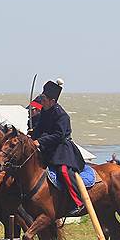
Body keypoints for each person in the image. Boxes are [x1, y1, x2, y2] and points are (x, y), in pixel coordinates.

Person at [31, 78, 85, 216]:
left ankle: (78, 201)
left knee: (63, 171)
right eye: (42, 98)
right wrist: (30, 138)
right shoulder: (44, 111)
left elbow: (58, 136)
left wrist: (40, 142)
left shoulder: (62, 116)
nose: (41, 101)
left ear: (52, 101)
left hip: (63, 149)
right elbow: (39, 129)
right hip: (47, 148)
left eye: (44, 99)